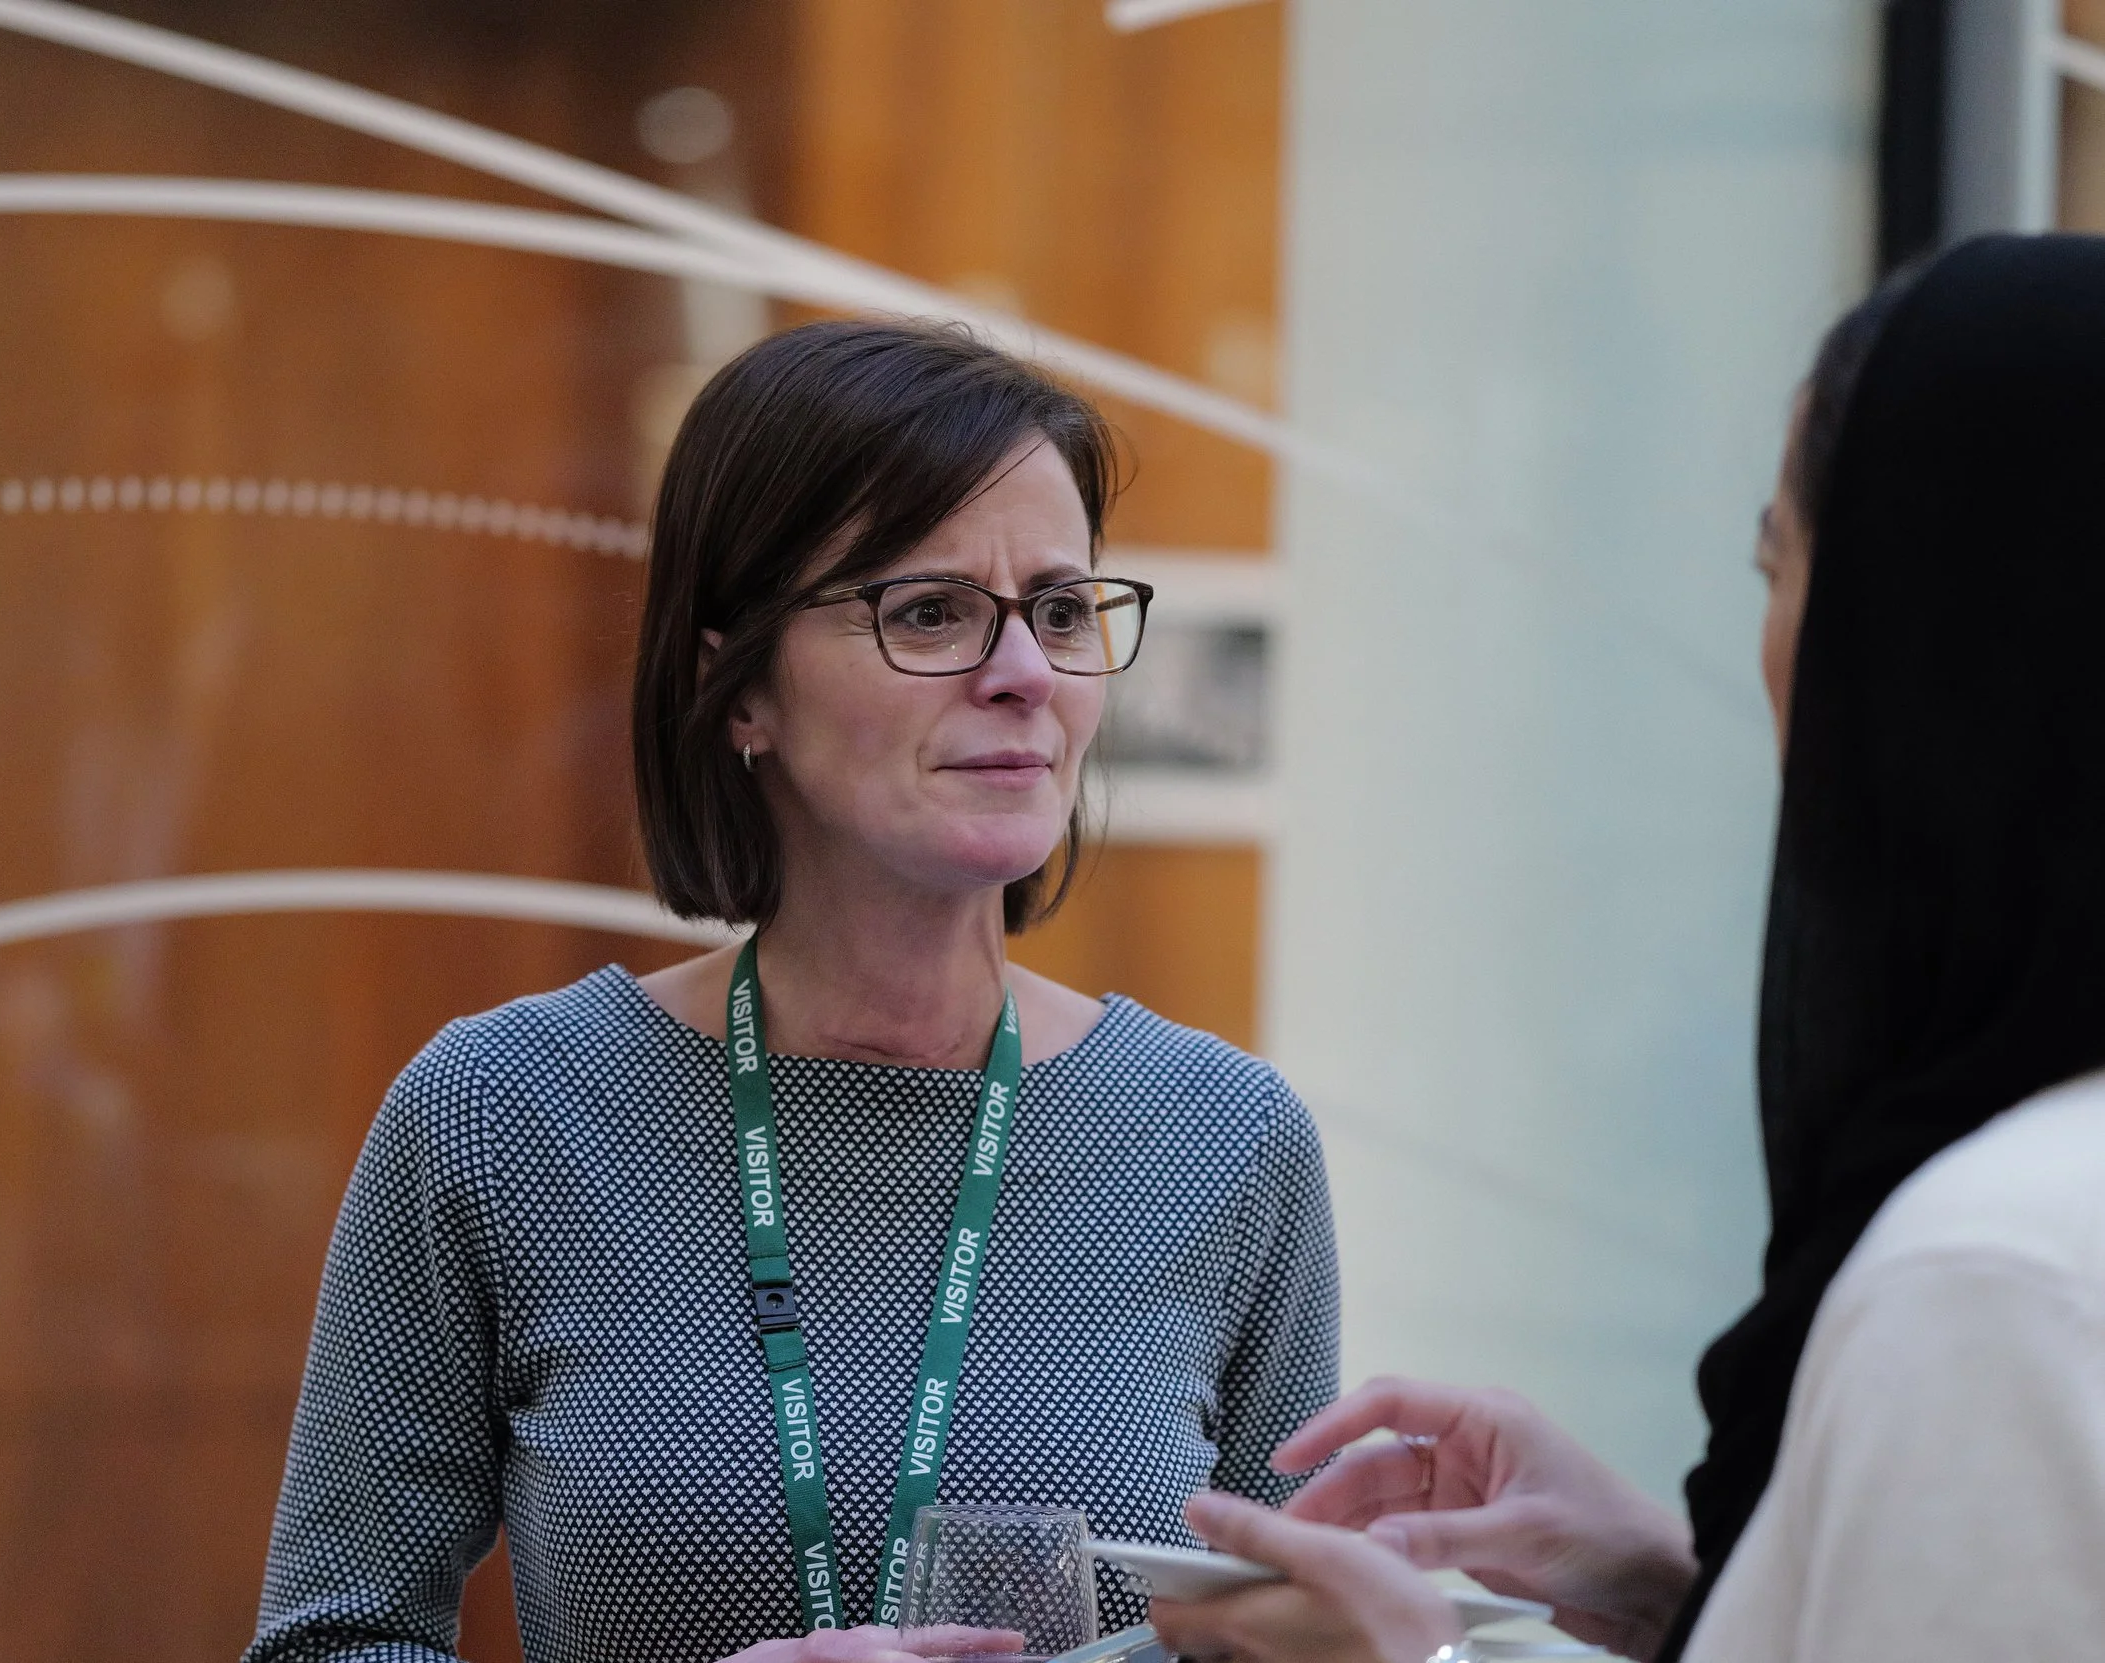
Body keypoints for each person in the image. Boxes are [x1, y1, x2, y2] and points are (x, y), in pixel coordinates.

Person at [245, 319, 1342, 1663]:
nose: (1023, 675)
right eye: (929, 611)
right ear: (740, 687)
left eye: (1061, 612)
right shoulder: (498, 1111)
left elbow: (1301, 1642)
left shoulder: (1229, 1137)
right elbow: (329, 1642)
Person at [1148, 232, 2105, 1663]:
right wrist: (1689, 1589)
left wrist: (1413, 1660)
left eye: (1783, 571)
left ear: (1920, 649)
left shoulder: (1993, 1279)